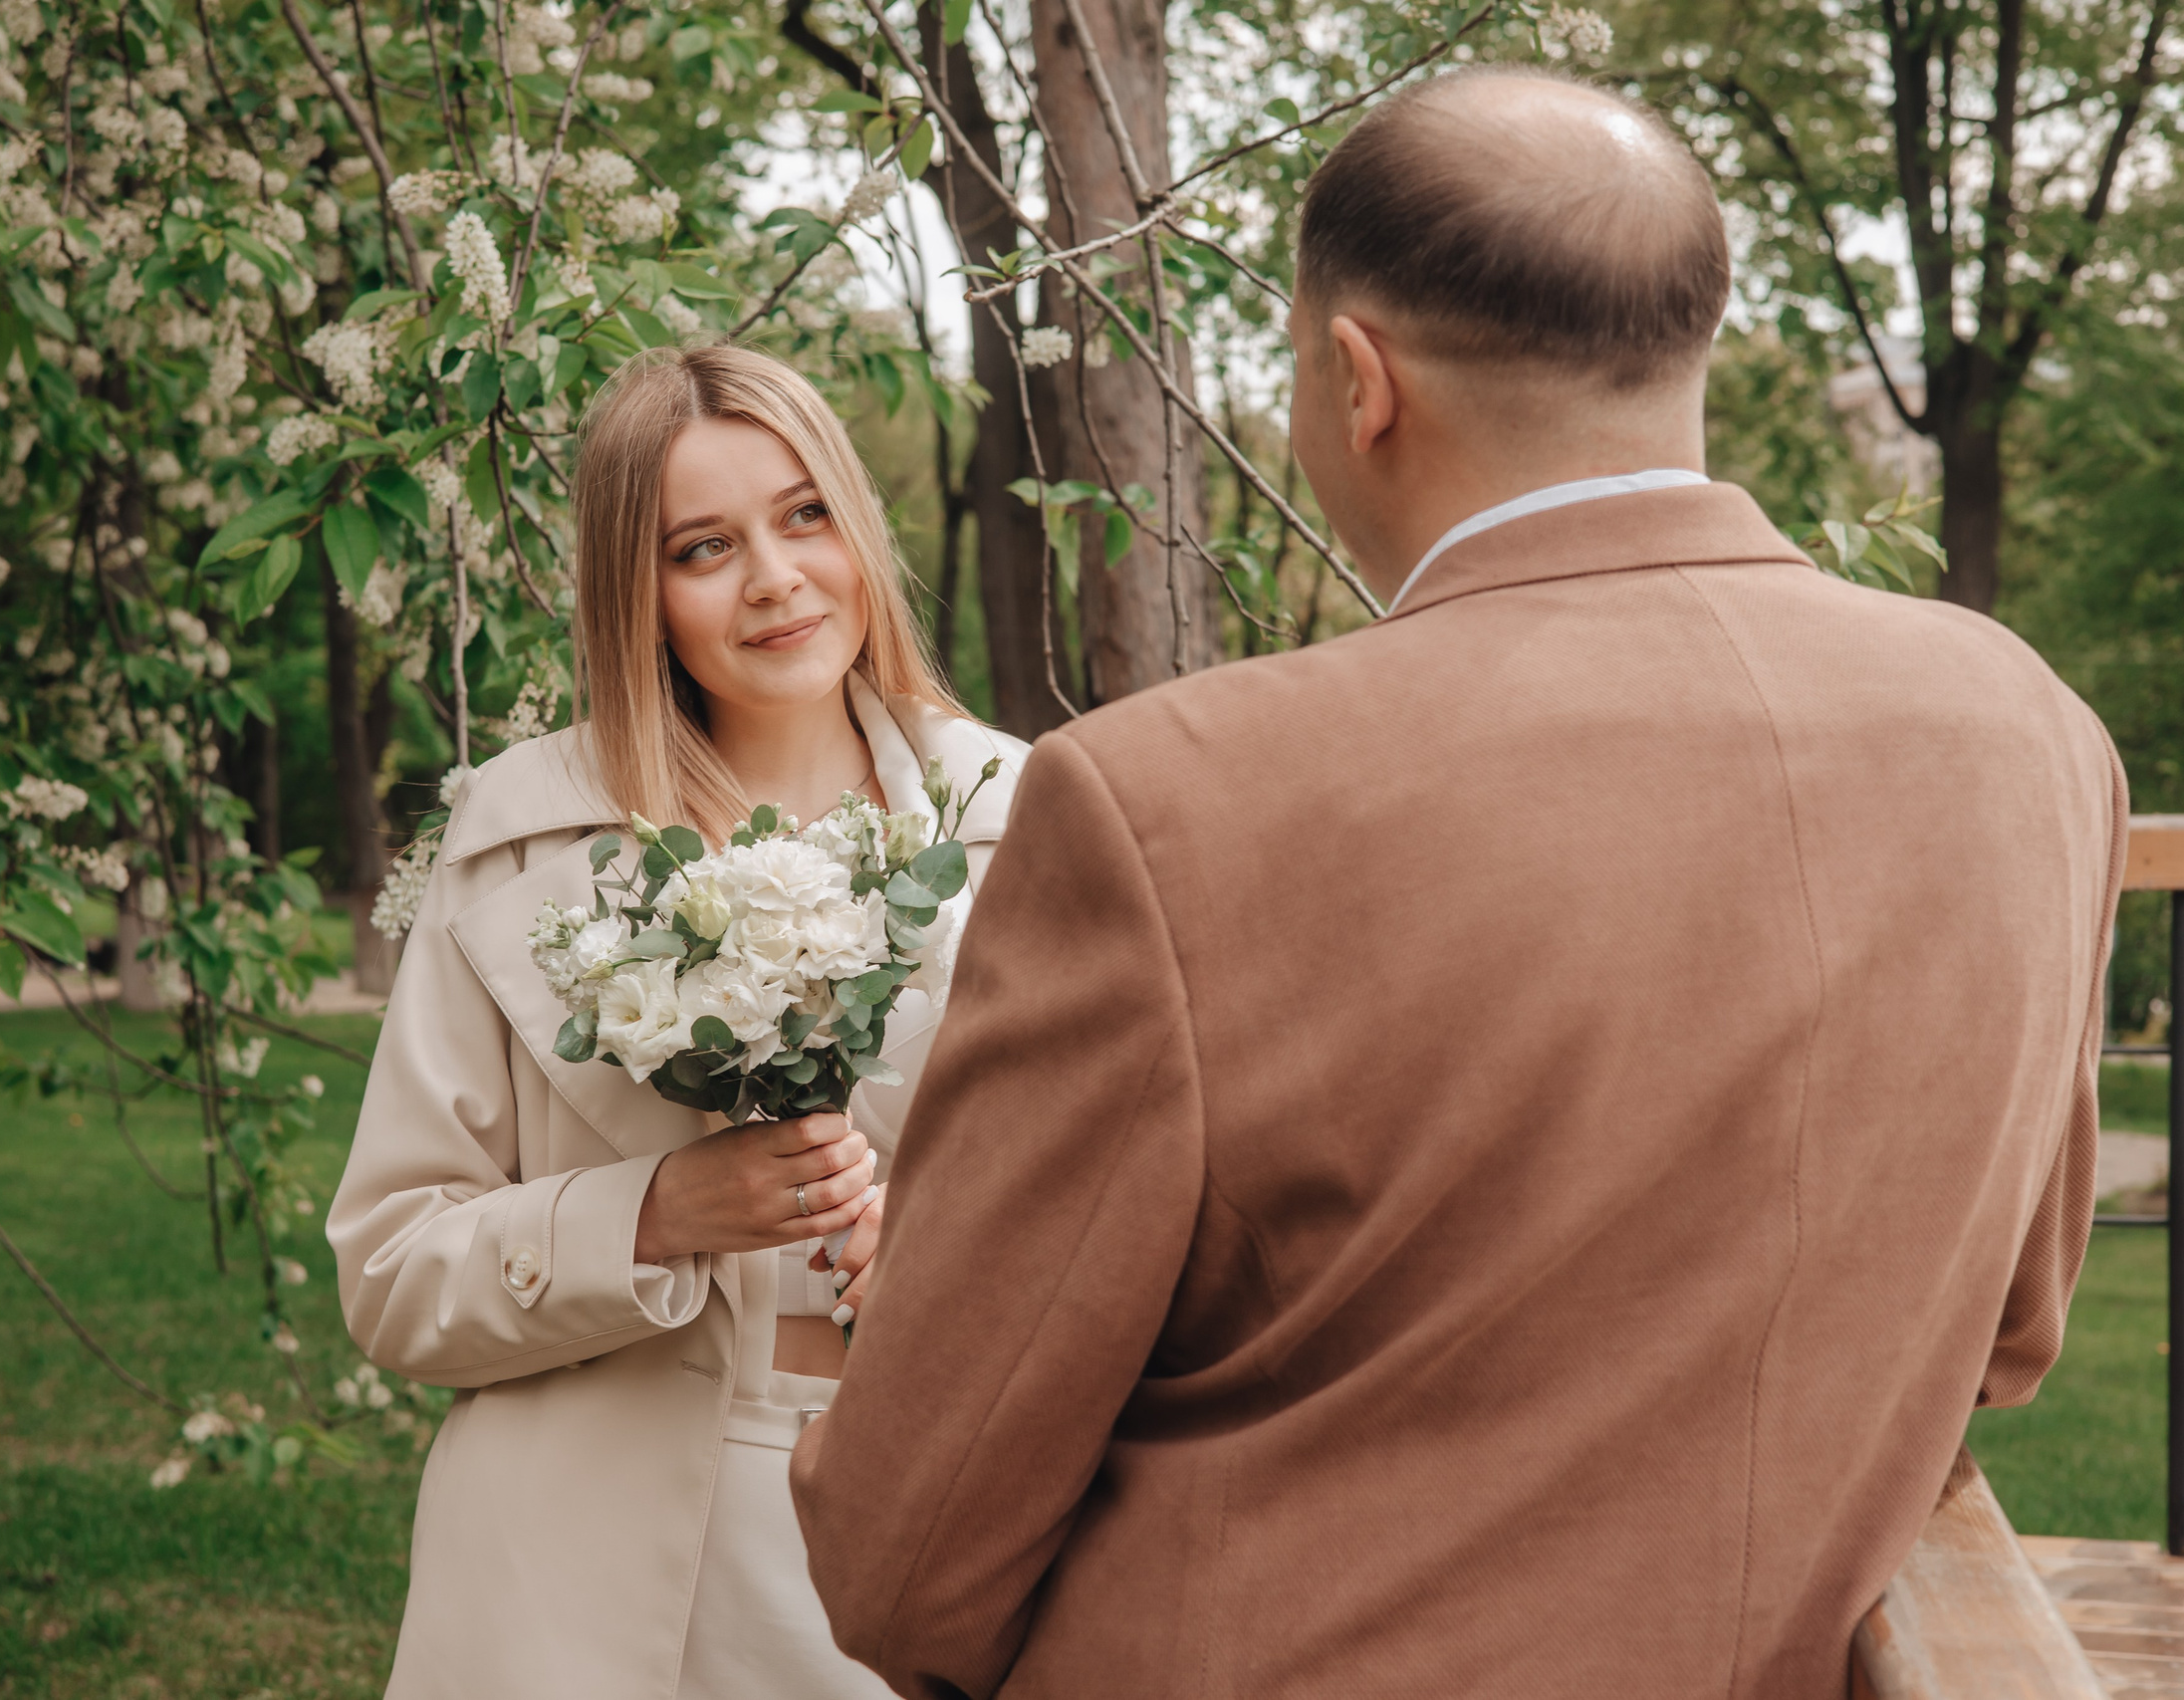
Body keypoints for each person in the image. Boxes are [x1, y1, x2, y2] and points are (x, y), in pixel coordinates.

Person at [791, 67, 2125, 1700]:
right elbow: (2010, 1333)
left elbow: (908, 1541)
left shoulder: (1168, 802)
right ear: (1686, 338)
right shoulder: (2035, 736)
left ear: (1357, 378)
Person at [327, 344, 1028, 1699]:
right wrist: (654, 1214)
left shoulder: (1028, 820)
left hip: (924, 1539)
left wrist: (946, 1264)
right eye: (704, 547)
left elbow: (1130, 1238)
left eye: (805, 514)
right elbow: (394, 1276)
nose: (773, 576)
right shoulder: (522, 838)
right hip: (574, 1574)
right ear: (635, 594)